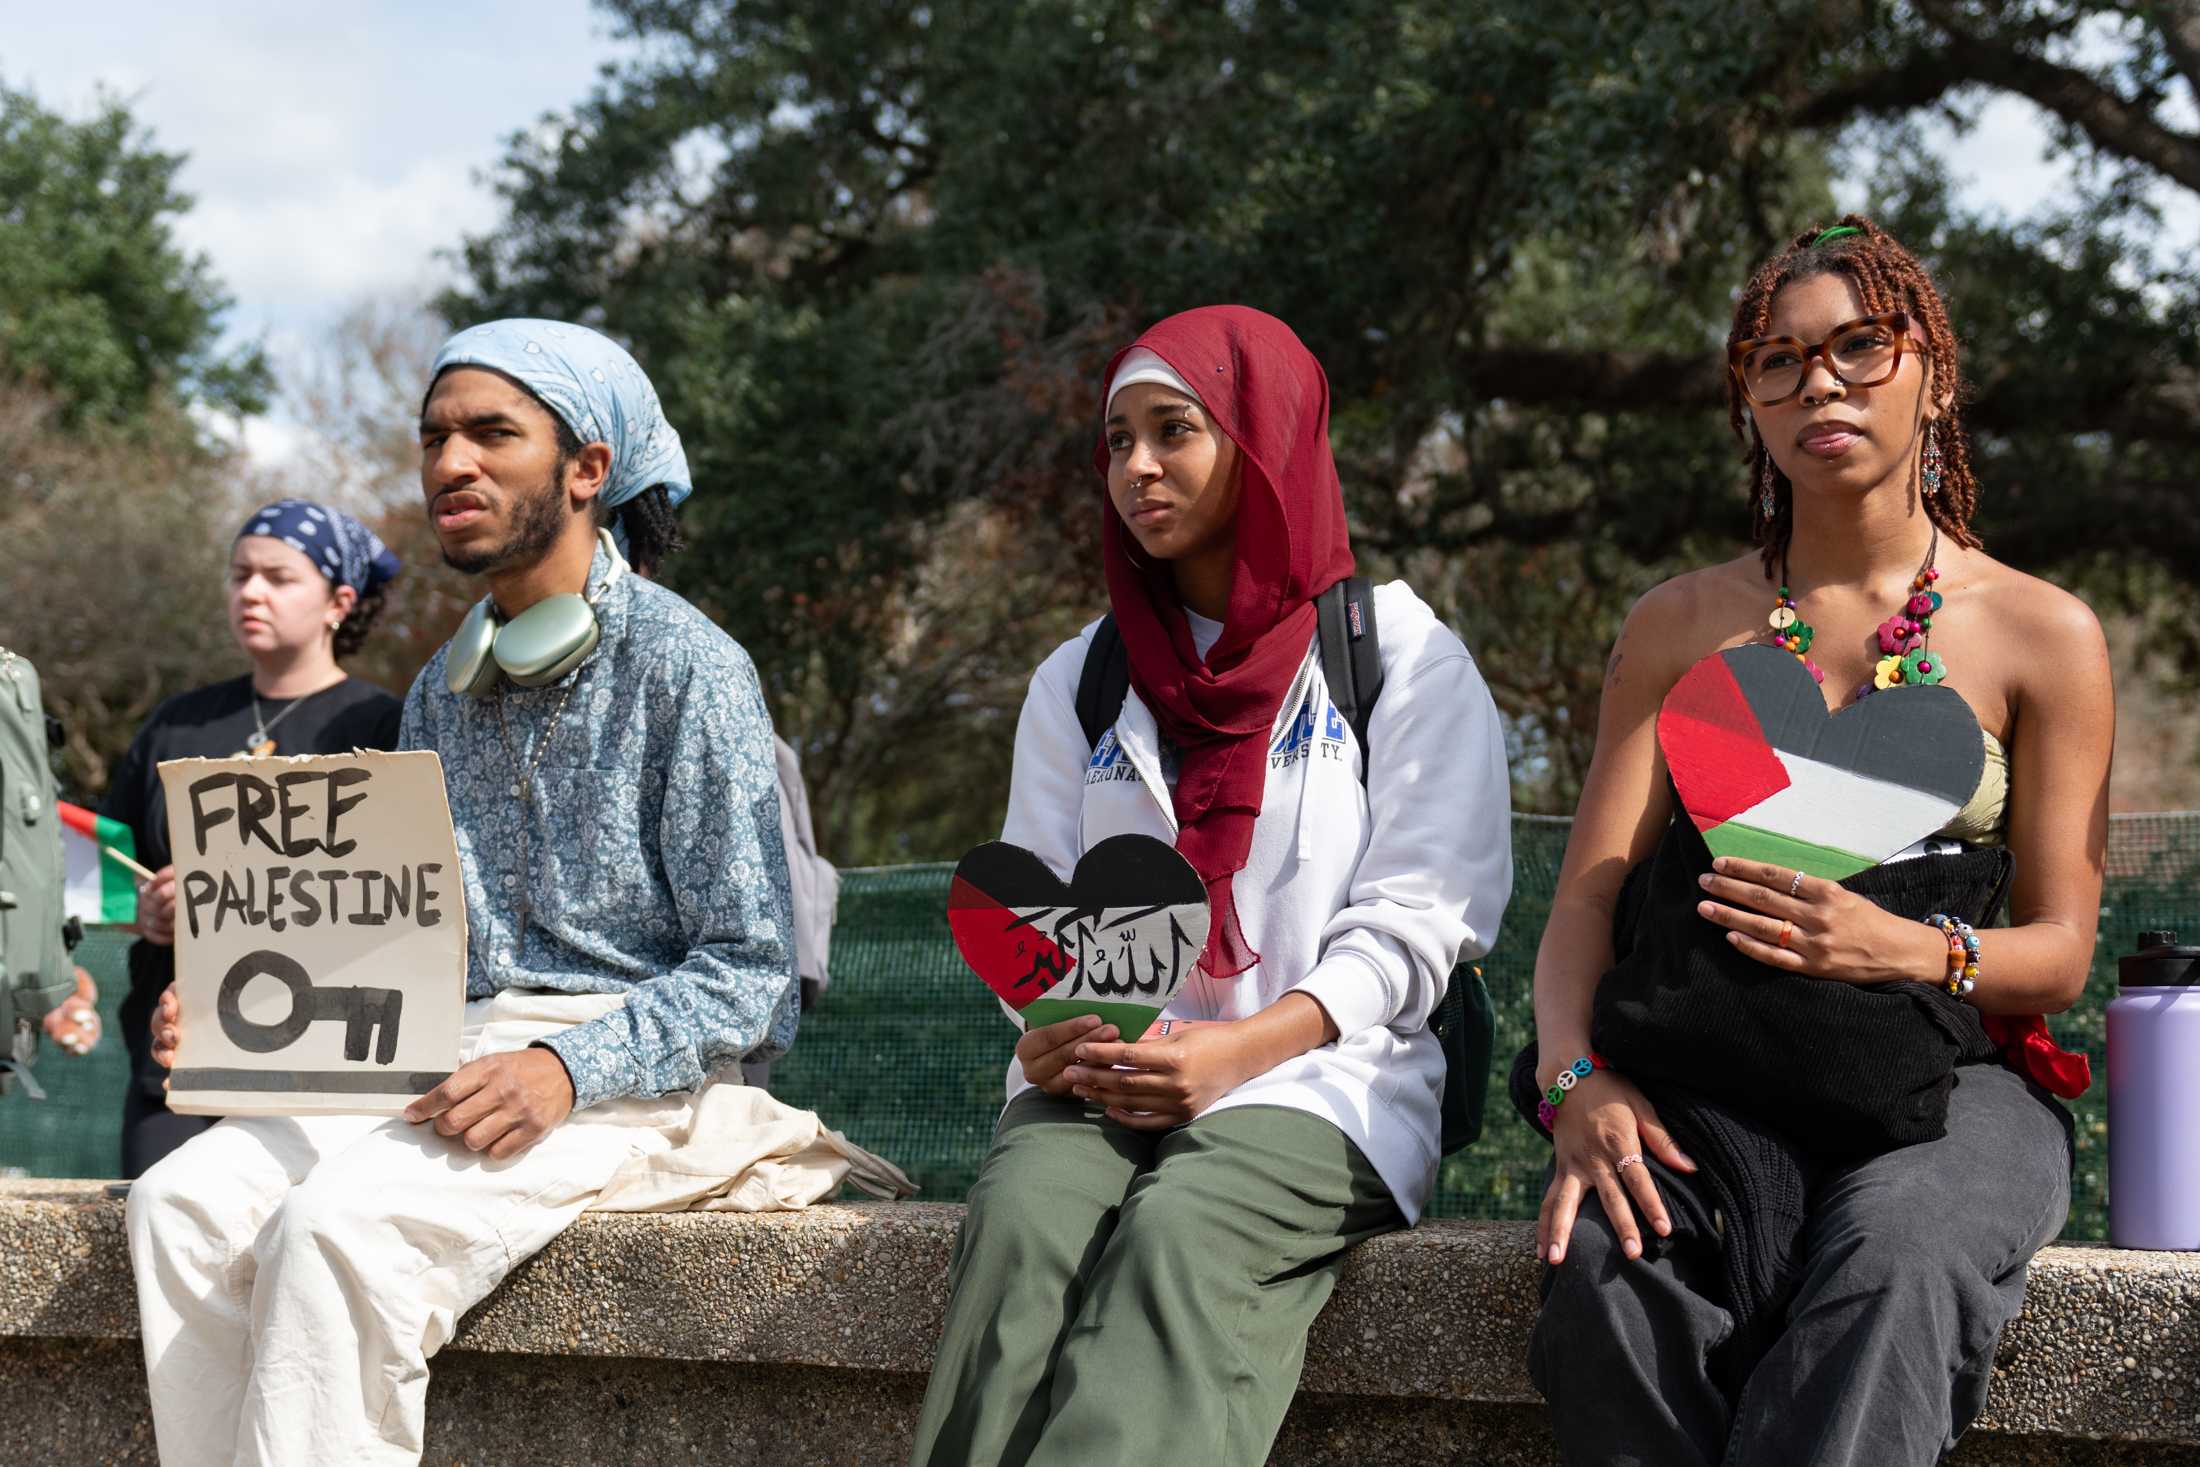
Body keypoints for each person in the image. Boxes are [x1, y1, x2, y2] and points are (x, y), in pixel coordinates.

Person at [124, 320, 806, 1466]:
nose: (451, 464)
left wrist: (566, 1067)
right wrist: (254, 1020)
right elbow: (406, 943)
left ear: (588, 469)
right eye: (435, 436)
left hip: (620, 1075)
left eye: (493, 434)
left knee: (334, 1232)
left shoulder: (690, 667)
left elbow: (752, 975)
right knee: (176, 1207)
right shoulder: (445, 684)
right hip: (442, 1052)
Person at [1524, 217, 2109, 1465]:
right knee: (1609, 1265)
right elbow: (1586, 904)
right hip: (1705, 1075)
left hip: (1956, 1087)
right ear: (1747, 397)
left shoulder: (2041, 634)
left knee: (1893, 1266)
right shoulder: (1680, 625)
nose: (1819, 383)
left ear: (1933, 375)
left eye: (1858, 345)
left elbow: (2059, 953)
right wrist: (1575, 1083)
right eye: (1775, 359)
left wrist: (1896, 947)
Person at [909, 305, 1514, 1466]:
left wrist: (1241, 1051)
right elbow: (1031, 908)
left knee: (1183, 1231)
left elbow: (1420, 918)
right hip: (1111, 1071)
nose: (1136, 466)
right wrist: (1051, 1035)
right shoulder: (1079, 680)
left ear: (1262, 439)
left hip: (1324, 1077)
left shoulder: (1395, 654)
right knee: (1023, 1226)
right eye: (1115, 439)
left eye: (1172, 431)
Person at [102, 499, 403, 1174]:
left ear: (339, 601)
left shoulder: (383, 726)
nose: (251, 592)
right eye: (240, 575)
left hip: (322, 1074)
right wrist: (141, 909)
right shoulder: (177, 723)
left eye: (278, 576)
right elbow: (114, 867)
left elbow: (402, 899)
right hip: (174, 1069)